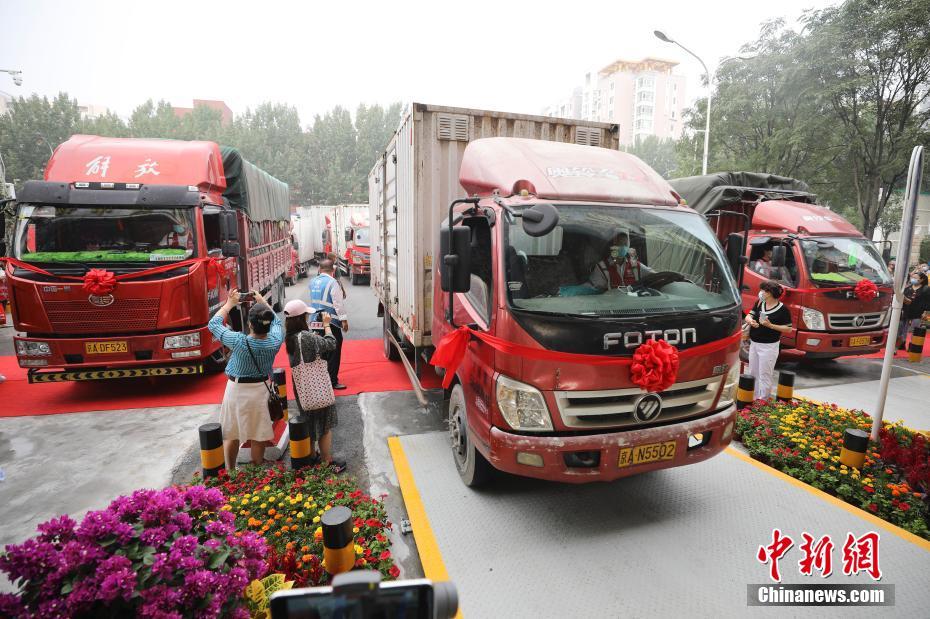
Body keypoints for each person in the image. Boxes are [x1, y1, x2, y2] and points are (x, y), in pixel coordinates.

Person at [208, 289, 284, 470]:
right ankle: (256, 468)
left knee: (232, 432)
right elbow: (277, 321)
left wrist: (230, 304)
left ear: (250, 324)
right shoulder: (275, 341)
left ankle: (231, 470)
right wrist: (263, 303)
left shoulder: (239, 341)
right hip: (261, 390)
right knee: (258, 432)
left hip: (236, 390)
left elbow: (213, 324)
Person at [283, 299, 346, 473]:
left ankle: (312, 456)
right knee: (324, 425)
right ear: (301, 318)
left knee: (309, 423)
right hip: (317, 388)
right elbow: (331, 344)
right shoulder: (307, 337)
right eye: (306, 315)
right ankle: (326, 462)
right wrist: (326, 325)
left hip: (302, 389)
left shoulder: (290, 338)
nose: (308, 317)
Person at [744, 280, 792, 401]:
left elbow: (788, 329)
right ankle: (753, 398)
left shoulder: (783, 310)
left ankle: (763, 400)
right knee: (752, 372)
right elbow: (749, 315)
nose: (760, 292)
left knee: (765, 374)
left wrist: (770, 325)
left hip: (769, 346)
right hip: (754, 343)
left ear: (769, 293)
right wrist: (751, 321)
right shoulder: (760, 302)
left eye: (763, 290)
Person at [309, 259, 348, 390]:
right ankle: (332, 381)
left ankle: (322, 380)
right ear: (333, 270)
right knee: (334, 351)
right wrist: (344, 320)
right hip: (330, 322)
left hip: (315, 320)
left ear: (319, 269)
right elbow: (338, 304)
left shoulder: (313, 282)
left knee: (321, 351)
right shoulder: (333, 283)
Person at [899, 271, 930, 349]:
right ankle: (902, 343)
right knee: (903, 328)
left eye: (915, 278)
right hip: (906, 310)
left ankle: (912, 345)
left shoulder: (926, 289)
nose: (913, 279)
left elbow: (928, 301)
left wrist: (925, 312)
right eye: (912, 277)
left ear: (921, 280)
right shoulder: (907, 288)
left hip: (918, 312)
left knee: (914, 329)